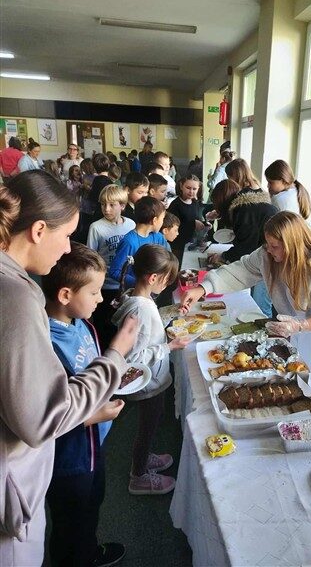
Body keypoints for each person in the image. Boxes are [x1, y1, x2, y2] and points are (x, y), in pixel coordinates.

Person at [0, 170, 137, 566]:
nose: (65, 250)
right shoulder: (16, 295)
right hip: (12, 484)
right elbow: (43, 416)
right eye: (66, 236)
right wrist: (114, 356)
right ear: (39, 230)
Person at [180, 211, 311, 415]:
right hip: (294, 330)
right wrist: (204, 288)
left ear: (293, 245)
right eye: (267, 244)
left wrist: (300, 325)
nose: (269, 250)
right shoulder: (268, 254)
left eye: (275, 246)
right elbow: (242, 270)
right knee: (292, 385)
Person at [42, 242, 126, 567]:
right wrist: (91, 417)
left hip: (93, 446)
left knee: (92, 504)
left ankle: (89, 553)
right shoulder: (46, 344)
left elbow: (93, 367)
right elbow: (47, 415)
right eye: (93, 293)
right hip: (68, 459)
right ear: (66, 295)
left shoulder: (81, 322)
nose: (100, 299)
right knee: (70, 523)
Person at [112, 245, 190, 494]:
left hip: (151, 380)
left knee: (150, 425)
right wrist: (169, 347)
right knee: (148, 429)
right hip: (149, 384)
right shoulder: (142, 308)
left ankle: (144, 458)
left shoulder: (138, 299)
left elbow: (148, 329)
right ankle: (138, 476)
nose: (167, 285)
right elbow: (135, 356)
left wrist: (172, 312)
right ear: (153, 278)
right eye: (167, 280)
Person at [222, 158, 278, 316]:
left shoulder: (244, 203)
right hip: (266, 255)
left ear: (234, 176)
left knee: (260, 307)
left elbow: (246, 242)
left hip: (265, 257)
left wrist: (225, 255)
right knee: (260, 303)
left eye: (229, 178)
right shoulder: (260, 191)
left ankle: (266, 330)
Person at [87, 185, 135, 349]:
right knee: (105, 326)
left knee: (124, 324)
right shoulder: (96, 227)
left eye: (111, 205)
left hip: (126, 284)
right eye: (103, 204)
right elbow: (91, 257)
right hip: (106, 285)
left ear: (122, 205)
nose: (106, 209)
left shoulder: (131, 225)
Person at [109, 196, 168, 289]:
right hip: (135, 291)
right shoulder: (129, 242)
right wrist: (140, 283)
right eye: (163, 218)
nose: (163, 222)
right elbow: (114, 271)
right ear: (155, 220)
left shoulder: (159, 237)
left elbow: (168, 259)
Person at [165, 174, 205, 265]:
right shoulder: (175, 205)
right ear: (181, 186)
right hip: (178, 245)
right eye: (188, 188)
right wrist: (193, 224)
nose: (191, 191)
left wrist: (204, 224)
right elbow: (171, 226)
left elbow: (196, 219)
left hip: (192, 243)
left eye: (194, 189)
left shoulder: (195, 203)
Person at [264, 159, 311, 228]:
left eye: (270, 182)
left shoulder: (280, 199)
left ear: (283, 181)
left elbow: (276, 228)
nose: (268, 186)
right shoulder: (297, 190)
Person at [87, 153, 113, 221]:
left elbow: (92, 197)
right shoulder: (110, 180)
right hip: (109, 211)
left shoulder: (97, 180)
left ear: (94, 167)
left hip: (100, 211)